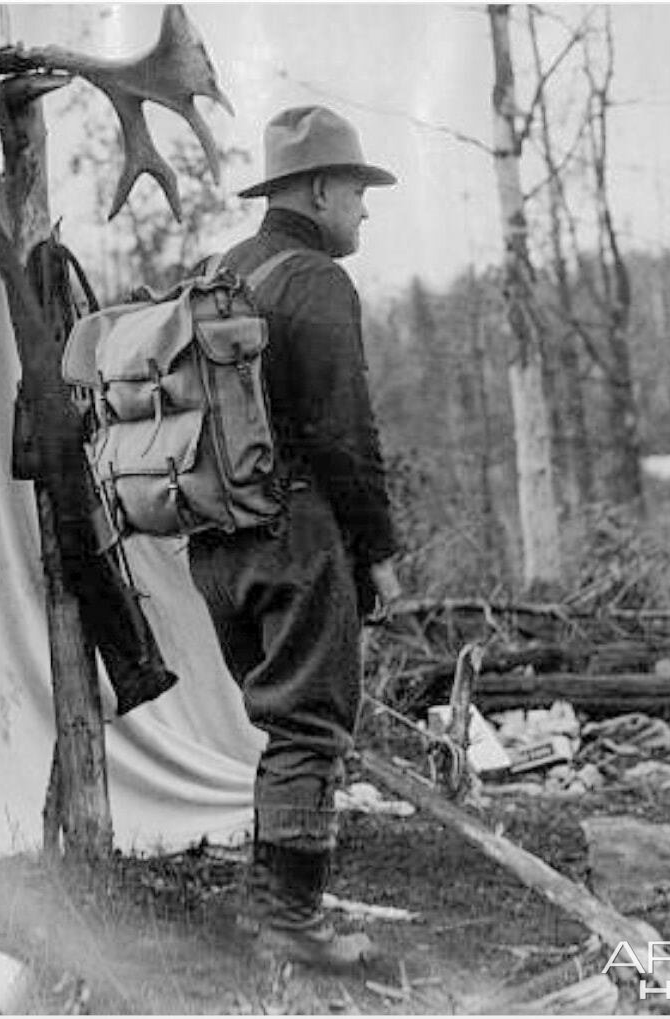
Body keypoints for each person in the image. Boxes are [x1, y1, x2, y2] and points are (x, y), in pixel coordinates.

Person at [187, 105, 403, 969]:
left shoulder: (219, 270)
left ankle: (270, 905)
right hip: (292, 534)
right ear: (319, 190)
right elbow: (346, 434)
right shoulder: (316, 279)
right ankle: (288, 920)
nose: (364, 210)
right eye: (357, 191)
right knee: (309, 728)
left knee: (283, 725)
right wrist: (379, 550)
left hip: (215, 541)